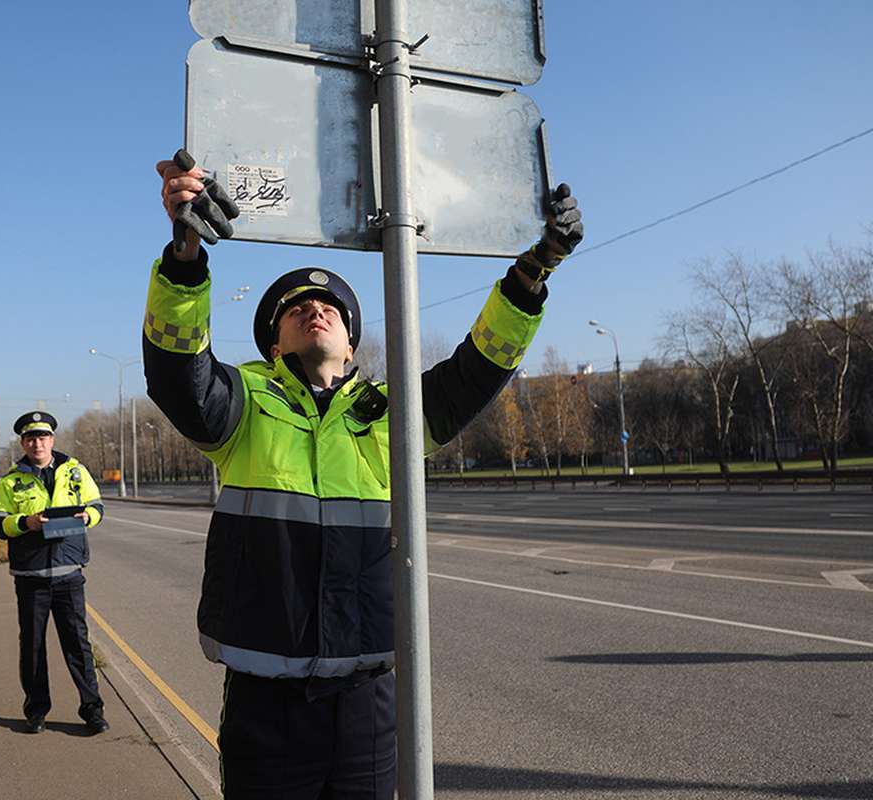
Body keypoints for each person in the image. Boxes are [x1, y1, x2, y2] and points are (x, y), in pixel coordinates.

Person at [145, 154, 582, 798]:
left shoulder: (394, 416)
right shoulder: (241, 404)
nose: (313, 308)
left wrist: (534, 271)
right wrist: (185, 257)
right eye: (296, 307)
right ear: (273, 344)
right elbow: (178, 372)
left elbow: (480, 366)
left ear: (353, 345)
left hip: (369, 703)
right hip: (266, 707)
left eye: (330, 306)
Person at [0, 411, 109, 735]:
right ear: (23, 443)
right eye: (30, 438)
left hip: (69, 575)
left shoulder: (76, 472)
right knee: (33, 646)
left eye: (42, 437)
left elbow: (97, 506)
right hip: (32, 578)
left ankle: (92, 710)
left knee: (78, 646)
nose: (37, 443)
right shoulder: (11, 481)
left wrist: (88, 518)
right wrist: (25, 523)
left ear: (52, 440)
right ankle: (36, 711)